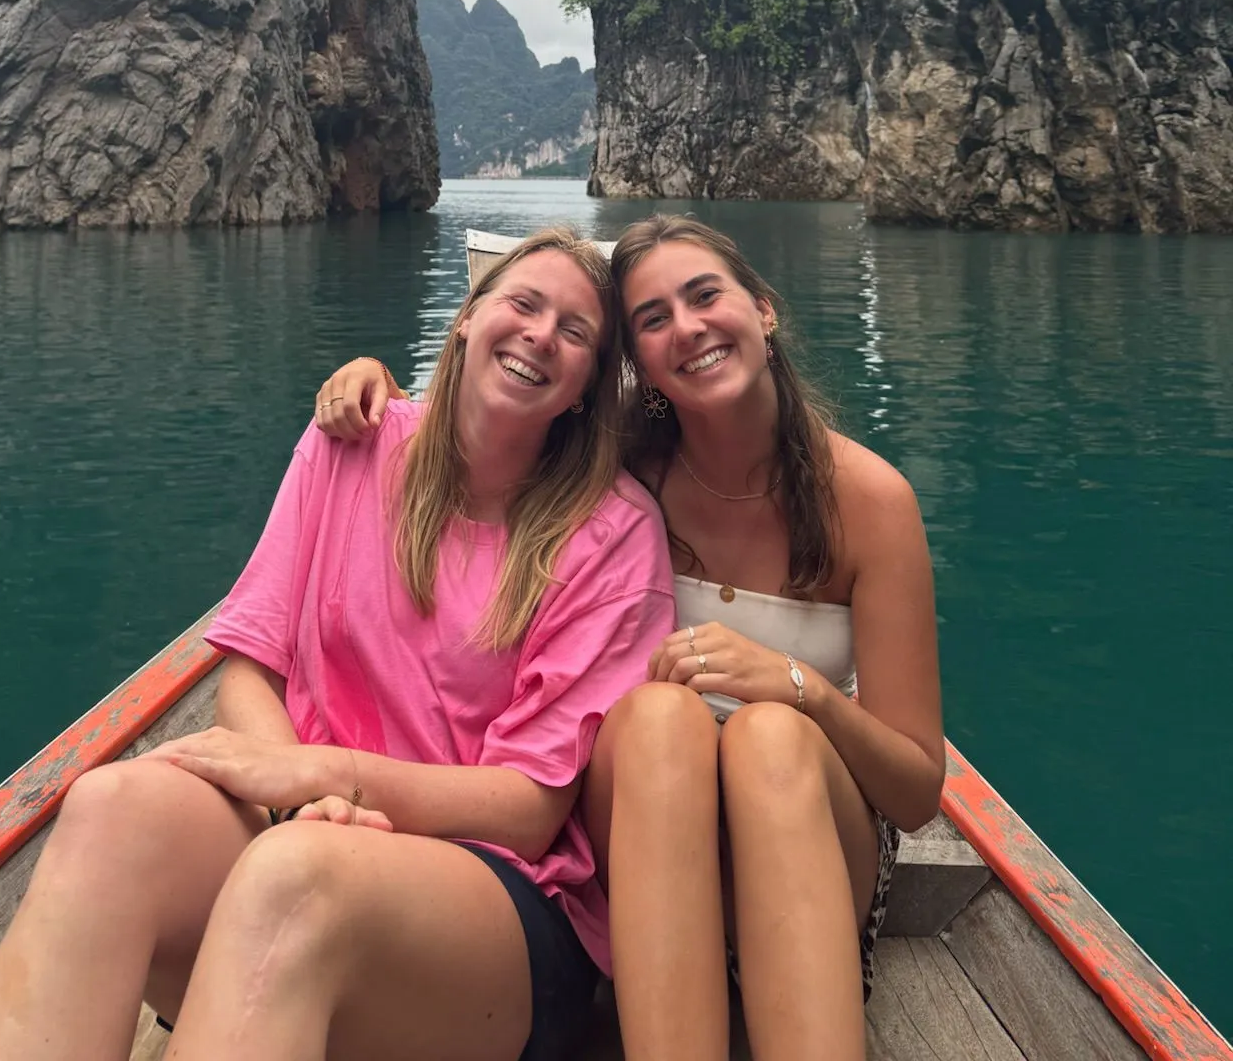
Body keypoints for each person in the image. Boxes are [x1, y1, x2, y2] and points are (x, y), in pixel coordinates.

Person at [0, 227, 674, 1061]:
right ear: (468, 320)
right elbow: (253, 663)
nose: (541, 334)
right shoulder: (353, 443)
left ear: (587, 385)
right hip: (305, 831)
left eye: (575, 331)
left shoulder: (611, 535)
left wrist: (333, 782)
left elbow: (530, 809)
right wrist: (297, 801)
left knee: (295, 878)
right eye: (522, 303)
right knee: (111, 808)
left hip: (497, 910)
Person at [316, 214, 945, 1061]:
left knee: (767, 737)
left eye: (705, 296)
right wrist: (380, 390)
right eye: (652, 319)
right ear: (639, 363)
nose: (686, 328)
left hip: (809, 830)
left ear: (764, 311)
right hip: (646, 834)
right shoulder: (618, 476)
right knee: (655, 718)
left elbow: (915, 793)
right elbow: (492, 415)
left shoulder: (870, 502)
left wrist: (802, 687)